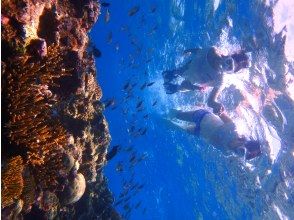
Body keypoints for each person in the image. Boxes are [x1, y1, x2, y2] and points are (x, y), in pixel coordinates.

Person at [163, 46, 251, 114]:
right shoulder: (212, 51)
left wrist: (217, 105)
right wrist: (189, 51)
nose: (224, 65)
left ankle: (176, 87)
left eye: (229, 68)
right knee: (183, 70)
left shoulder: (221, 80)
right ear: (227, 56)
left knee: (186, 84)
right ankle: (174, 74)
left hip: (194, 81)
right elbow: (199, 51)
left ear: (231, 72)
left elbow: (210, 102)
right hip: (193, 67)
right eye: (229, 62)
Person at [168, 106, 261, 160]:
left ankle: (163, 119)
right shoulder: (233, 129)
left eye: (239, 154)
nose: (236, 151)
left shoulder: (227, 152)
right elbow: (220, 112)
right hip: (202, 117)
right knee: (178, 115)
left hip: (201, 133)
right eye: (241, 150)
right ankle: (167, 111)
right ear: (243, 142)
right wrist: (218, 109)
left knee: (180, 127)